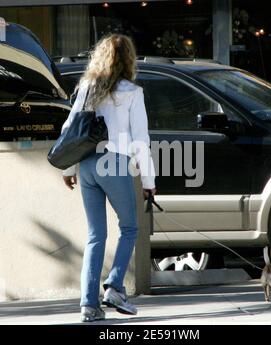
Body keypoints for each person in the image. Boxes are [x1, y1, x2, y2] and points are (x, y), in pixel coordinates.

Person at [61, 34, 156, 322]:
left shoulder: (88, 86)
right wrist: (149, 182)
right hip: (114, 163)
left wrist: (68, 168)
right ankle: (114, 287)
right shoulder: (132, 92)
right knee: (130, 228)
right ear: (128, 58)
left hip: (87, 163)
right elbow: (140, 139)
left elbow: (71, 127)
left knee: (95, 236)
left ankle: (88, 306)